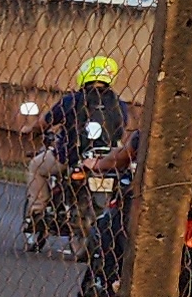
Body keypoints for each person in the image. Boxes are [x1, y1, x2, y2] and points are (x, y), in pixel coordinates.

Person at [23, 55, 135, 242]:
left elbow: (45, 123)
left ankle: (37, 212)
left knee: (36, 166)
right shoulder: (119, 104)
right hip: (107, 159)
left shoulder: (71, 100)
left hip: (69, 156)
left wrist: (30, 129)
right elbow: (121, 129)